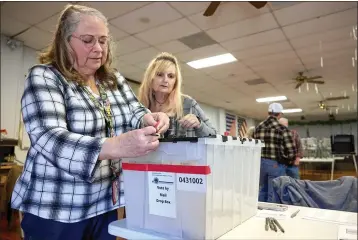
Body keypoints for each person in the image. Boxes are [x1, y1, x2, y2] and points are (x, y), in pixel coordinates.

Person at [11, 4, 169, 240]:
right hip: (56, 209)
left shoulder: (112, 80)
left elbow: (133, 109)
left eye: (103, 41)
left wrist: (148, 117)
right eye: (88, 40)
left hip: (103, 205)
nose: (98, 49)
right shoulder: (44, 76)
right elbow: (49, 137)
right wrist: (116, 146)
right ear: (65, 41)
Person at [137, 52, 217, 138]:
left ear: (175, 81)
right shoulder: (139, 106)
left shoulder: (188, 104)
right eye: (159, 75)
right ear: (150, 78)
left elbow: (214, 134)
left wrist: (199, 124)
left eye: (171, 76)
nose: (165, 80)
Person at [253, 103, 296, 202]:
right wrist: (288, 161)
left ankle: (259, 213)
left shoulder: (258, 128)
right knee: (274, 191)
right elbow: (291, 150)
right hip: (275, 164)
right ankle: (270, 215)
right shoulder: (282, 129)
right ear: (279, 114)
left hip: (260, 164)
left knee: (263, 189)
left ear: (268, 112)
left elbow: (254, 146)